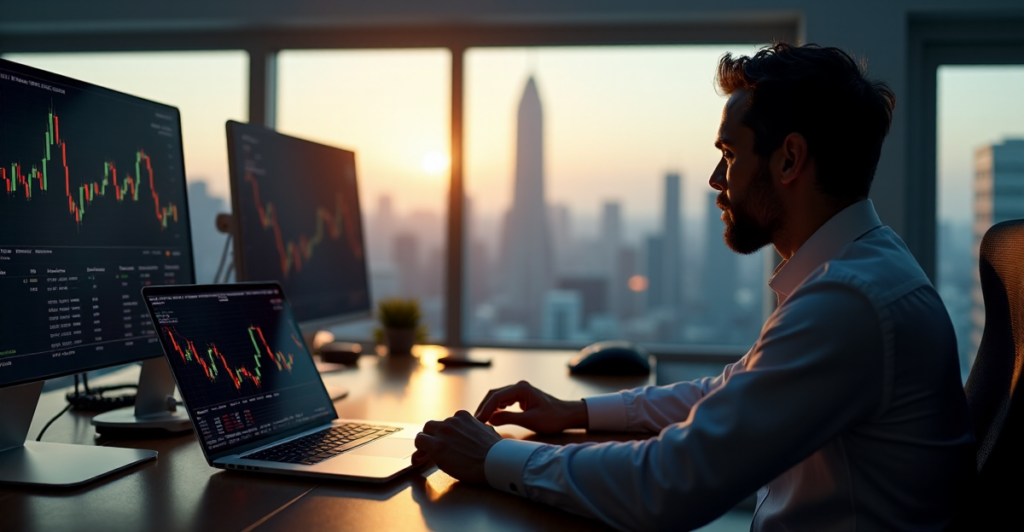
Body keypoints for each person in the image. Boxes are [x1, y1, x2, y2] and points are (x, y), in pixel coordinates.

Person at [412, 42, 975, 531]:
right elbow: (729, 392)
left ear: (789, 160)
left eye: (729, 154)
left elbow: (667, 484)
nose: (715, 179)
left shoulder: (850, 302)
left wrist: (494, 458)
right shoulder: (863, 270)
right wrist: (576, 410)